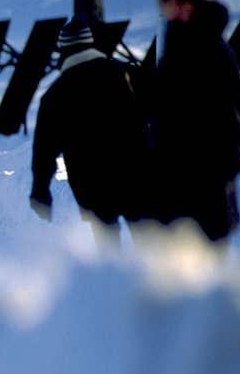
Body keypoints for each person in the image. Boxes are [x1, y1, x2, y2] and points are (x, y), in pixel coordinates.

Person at [29, 20, 151, 253]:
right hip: (137, 176)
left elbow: (44, 151)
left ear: (63, 51)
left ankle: (112, 285)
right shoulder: (127, 74)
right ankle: (158, 286)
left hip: (92, 186)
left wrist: (40, 190)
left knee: (108, 247)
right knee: (149, 243)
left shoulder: (55, 95)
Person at [148, 0, 240, 245]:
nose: (170, 8)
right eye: (165, 1)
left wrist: (209, 175)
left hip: (205, 198)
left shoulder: (213, 54)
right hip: (171, 199)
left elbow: (231, 130)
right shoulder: (175, 51)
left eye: (178, 1)